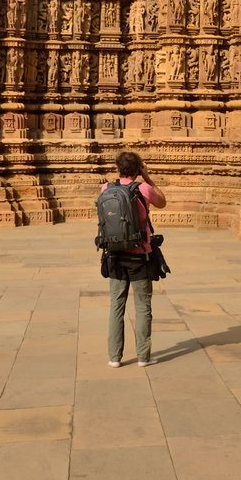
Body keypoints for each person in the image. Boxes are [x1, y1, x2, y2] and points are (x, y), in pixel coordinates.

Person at [101, 150, 166, 368]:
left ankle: (114, 357)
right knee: (142, 307)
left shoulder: (106, 189)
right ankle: (143, 357)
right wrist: (147, 176)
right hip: (140, 256)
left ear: (118, 168)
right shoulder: (143, 189)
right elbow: (162, 202)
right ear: (138, 169)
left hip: (115, 256)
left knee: (116, 306)